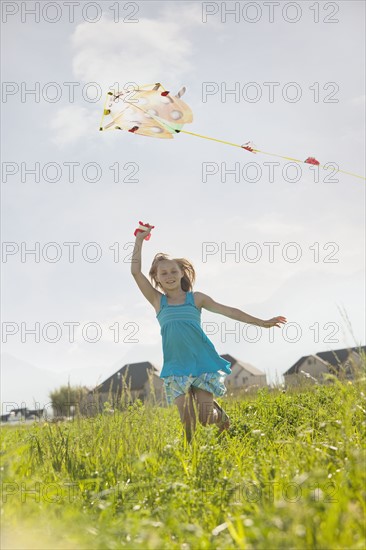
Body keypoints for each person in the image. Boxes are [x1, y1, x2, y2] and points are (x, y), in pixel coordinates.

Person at [131, 226, 287, 442]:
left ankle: (219, 415)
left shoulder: (196, 299)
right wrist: (139, 241)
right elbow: (136, 273)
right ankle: (192, 459)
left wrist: (261, 322)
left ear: (182, 273)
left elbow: (229, 311)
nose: (169, 276)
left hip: (202, 365)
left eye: (174, 271)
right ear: (156, 278)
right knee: (188, 422)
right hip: (176, 368)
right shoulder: (158, 301)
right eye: (163, 273)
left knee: (206, 419)